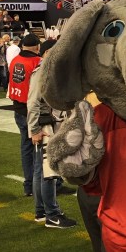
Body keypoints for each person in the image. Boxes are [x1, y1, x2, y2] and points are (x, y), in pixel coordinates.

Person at [26, 40, 76, 230]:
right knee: (49, 171)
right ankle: (52, 215)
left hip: (47, 123)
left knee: (41, 170)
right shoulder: (42, 71)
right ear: (48, 52)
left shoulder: (45, 70)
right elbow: (33, 102)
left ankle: (41, 211)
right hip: (46, 125)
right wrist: (35, 128)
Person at [8, 34, 41, 196]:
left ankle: (28, 186)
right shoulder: (37, 62)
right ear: (37, 47)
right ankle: (37, 186)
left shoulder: (15, 60)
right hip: (32, 110)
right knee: (39, 150)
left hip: (18, 108)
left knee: (26, 147)